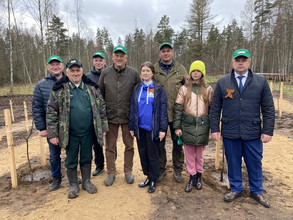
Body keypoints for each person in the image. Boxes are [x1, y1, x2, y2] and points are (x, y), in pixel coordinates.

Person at [210, 49, 275, 208]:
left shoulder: (261, 81)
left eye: (243, 60)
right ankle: (237, 188)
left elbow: (268, 108)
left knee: (254, 162)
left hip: (252, 131)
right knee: (233, 162)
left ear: (249, 62)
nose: (240, 62)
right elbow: (215, 107)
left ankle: (256, 190)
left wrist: (267, 130)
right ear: (232, 62)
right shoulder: (223, 82)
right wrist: (214, 128)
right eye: (237, 60)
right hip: (230, 130)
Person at [46, 58, 108, 199]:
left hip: (87, 133)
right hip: (70, 134)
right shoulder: (60, 90)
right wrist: (52, 134)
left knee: (87, 157)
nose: (75, 73)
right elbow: (51, 112)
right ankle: (73, 184)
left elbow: (102, 108)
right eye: (72, 70)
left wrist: (103, 127)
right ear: (66, 72)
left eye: (78, 70)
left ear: (82, 71)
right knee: (71, 159)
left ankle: (86, 181)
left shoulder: (91, 88)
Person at [99, 45, 141, 186]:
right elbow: (100, 95)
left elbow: (139, 95)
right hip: (110, 117)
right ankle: (111, 173)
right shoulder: (105, 73)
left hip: (127, 117)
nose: (119, 58)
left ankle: (128, 171)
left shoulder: (134, 73)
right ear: (112, 57)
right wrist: (102, 117)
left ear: (126, 57)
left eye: (121, 55)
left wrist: (136, 117)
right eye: (116, 55)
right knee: (110, 147)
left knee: (129, 146)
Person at [173, 61, 214, 192]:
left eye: (198, 71)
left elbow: (212, 109)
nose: (195, 73)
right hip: (187, 126)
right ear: (190, 73)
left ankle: (199, 177)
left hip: (202, 126)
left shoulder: (208, 89)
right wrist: (177, 127)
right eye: (193, 71)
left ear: (202, 72)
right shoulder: (184, 89)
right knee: (190, 155)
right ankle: (192, 177)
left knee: (200, 155)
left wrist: (213, 127)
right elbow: (178, 109)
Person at [129, 61, 168, 193]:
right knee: (143, 154)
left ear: (152, 73)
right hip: (139, 128)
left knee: (153, 155)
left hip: (153, 128)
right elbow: (133, 108)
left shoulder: (158, 89)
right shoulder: (137, 88)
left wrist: (163, 129)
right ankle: (147, 176)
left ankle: (153, 179)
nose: (145, 73)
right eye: (143, 71)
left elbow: (163, 110)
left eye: (148, 71)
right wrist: (131, 126)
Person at [153, 42, 189, 182]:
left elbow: (188, 87)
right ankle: (161, 169)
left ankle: (178, 168)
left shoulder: (180, 69)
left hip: (177, 114)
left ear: (173, 53)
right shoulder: (154, 69)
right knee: (159, 144)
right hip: (159, 114)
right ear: (159, 54)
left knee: (178, 143)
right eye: (163, 51)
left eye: (168, 51)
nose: (166, 53)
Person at [32, 55, 65, 191]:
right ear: (48, 67)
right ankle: (56, 177)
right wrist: (42, 128)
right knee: (54, 154)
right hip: (52, 127)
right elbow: (36, 107)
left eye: (58, 64)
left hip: (69, 126)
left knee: (72, 152)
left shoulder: (70, 81)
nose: (55, 66)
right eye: (52, 65)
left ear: (62, 66)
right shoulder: (41, 85)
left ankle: (73, 175)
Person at [86, 51, 115, 177]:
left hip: (109, 112)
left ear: (105, 61)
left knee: (111, 141)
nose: (98, 62)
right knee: (96, 142)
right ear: (93, 62)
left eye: (100, 60)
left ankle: (111, 164)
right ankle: (99, 165)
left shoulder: (111, 74)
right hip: (93, 114)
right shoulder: (87, 77)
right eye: (96, 60)